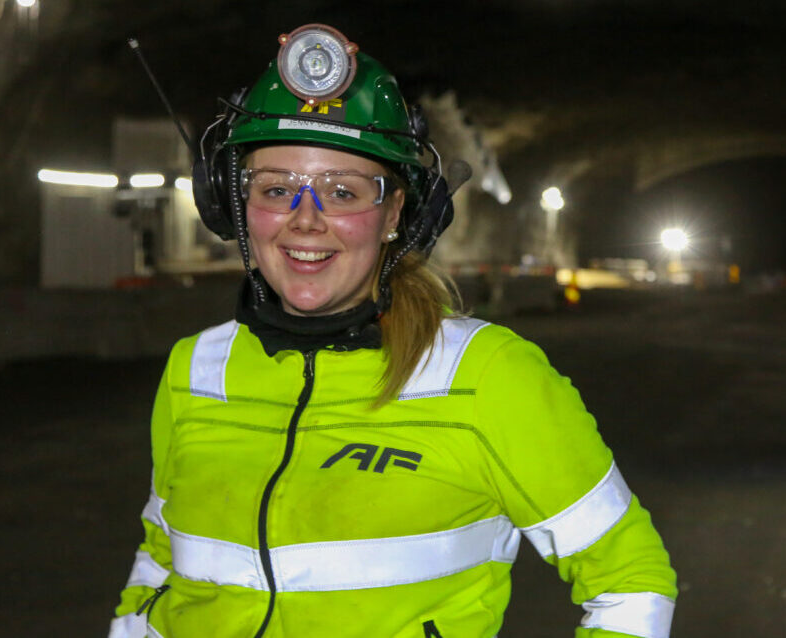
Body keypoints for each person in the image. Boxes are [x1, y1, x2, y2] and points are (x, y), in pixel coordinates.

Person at [109, 22, 676, 638]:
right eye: (276, 189)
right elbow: (163, 558)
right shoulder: (195, 368)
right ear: (231, 206)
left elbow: (630, 582)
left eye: (343, 192)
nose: (306, 220)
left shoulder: (488, 375)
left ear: (395, 215)